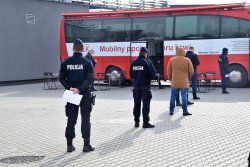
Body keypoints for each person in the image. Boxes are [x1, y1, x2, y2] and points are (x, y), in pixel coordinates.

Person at [59, 38, 95, 153]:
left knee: (71, 119)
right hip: (84, 93)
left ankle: (69, 145)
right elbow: (90, 78)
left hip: (71, 94)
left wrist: (70, 88)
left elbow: (61, 78)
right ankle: (86, 145)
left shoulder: (66, 62)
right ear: (83, 48)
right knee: (85, 119)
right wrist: (79, 89)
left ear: (73, 48)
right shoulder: (86, 62)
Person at [130, 47, 157, 128]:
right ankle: (145, 123)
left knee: (136, 104)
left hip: (136, 87)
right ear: (146, 53)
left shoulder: (133, 63)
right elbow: (153, 75)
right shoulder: (147, 62)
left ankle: (136, 122)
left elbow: (131, 75)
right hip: (145, 87)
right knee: (145, 105)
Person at [167, 47, 194, 116]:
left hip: (175, 81)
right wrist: (188, 76)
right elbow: (191, 71)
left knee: (173, 96)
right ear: (183, 52)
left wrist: (170, 79)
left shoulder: (172, 60)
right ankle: (185, 111)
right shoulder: (187, 60)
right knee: (184, 96)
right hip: (184, 81)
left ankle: (171, 111)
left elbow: (169, 71)